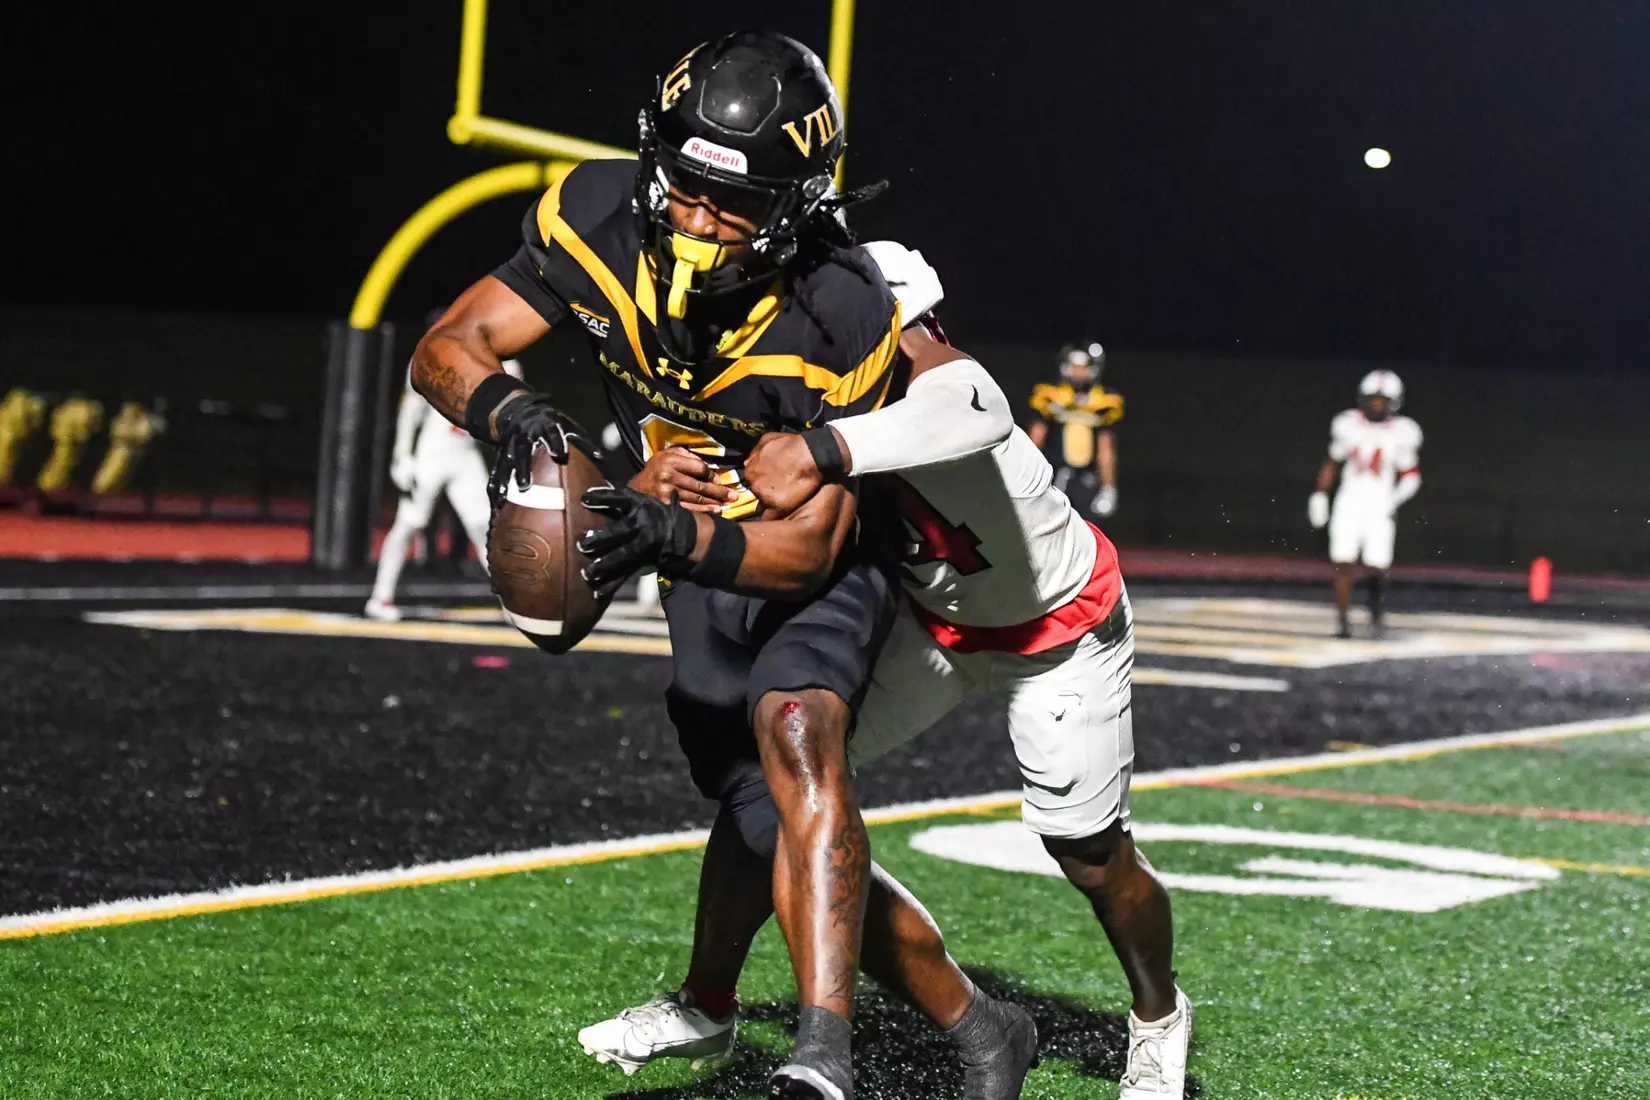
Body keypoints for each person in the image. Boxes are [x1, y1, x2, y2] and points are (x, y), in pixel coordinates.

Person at [408, 33, 1030, 1100]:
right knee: (751, 804)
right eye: (688, 188)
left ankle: (822, 1053)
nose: (699, 221)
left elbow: (814, 548)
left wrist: (671, 534)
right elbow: (449, 343)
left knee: (798, 731)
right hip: (683, 532)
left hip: (808, 542)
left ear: (795, 208)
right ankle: (975, 1021)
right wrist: (520, 417)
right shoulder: (595, 216)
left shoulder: (840, 308)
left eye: (734, 206)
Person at [582, 243, 1191, 1099]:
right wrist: (647, 483)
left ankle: (1159, 1016)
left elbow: (973, 406)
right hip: (931, 628)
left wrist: (825, 447)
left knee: (1088, 852)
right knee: (773, 785)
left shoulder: (937, 384)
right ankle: (707, 999)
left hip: (1057, 632)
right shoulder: (801, 392)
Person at [363, 343, 521, 621]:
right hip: (432, 452)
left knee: (486, 526)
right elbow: (412, 407)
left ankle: (511, 602)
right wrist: (402, 455)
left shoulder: (503, 364)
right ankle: (380, 596)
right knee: (411, 522)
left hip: (465, 453)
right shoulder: (434, 356)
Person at [1308, 369, 1423, 638]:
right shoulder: (1348, 425)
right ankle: (1343, 619)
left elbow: (1411, 475)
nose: (1376, 404)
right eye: (1372, 399)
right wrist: (1320, 494)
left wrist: (1395, 499)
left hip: (1379, 502)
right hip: (1349, 499)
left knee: (1376, 564)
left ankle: (1374, 606)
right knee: (1343, 561)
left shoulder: (1403, 432)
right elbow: (1332, 462)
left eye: (1382, 400)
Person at [1026, 342, 1123, 518]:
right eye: (1074, 366)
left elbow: (1105, 447)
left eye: (1083, 367)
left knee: (1088, 530)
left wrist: (1108, 486)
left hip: (1087, 477)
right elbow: (1036, 438)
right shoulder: (1050, 394)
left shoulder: (1104, 400)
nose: (1078, 373)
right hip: (1054, 473)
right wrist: (1026, 474)